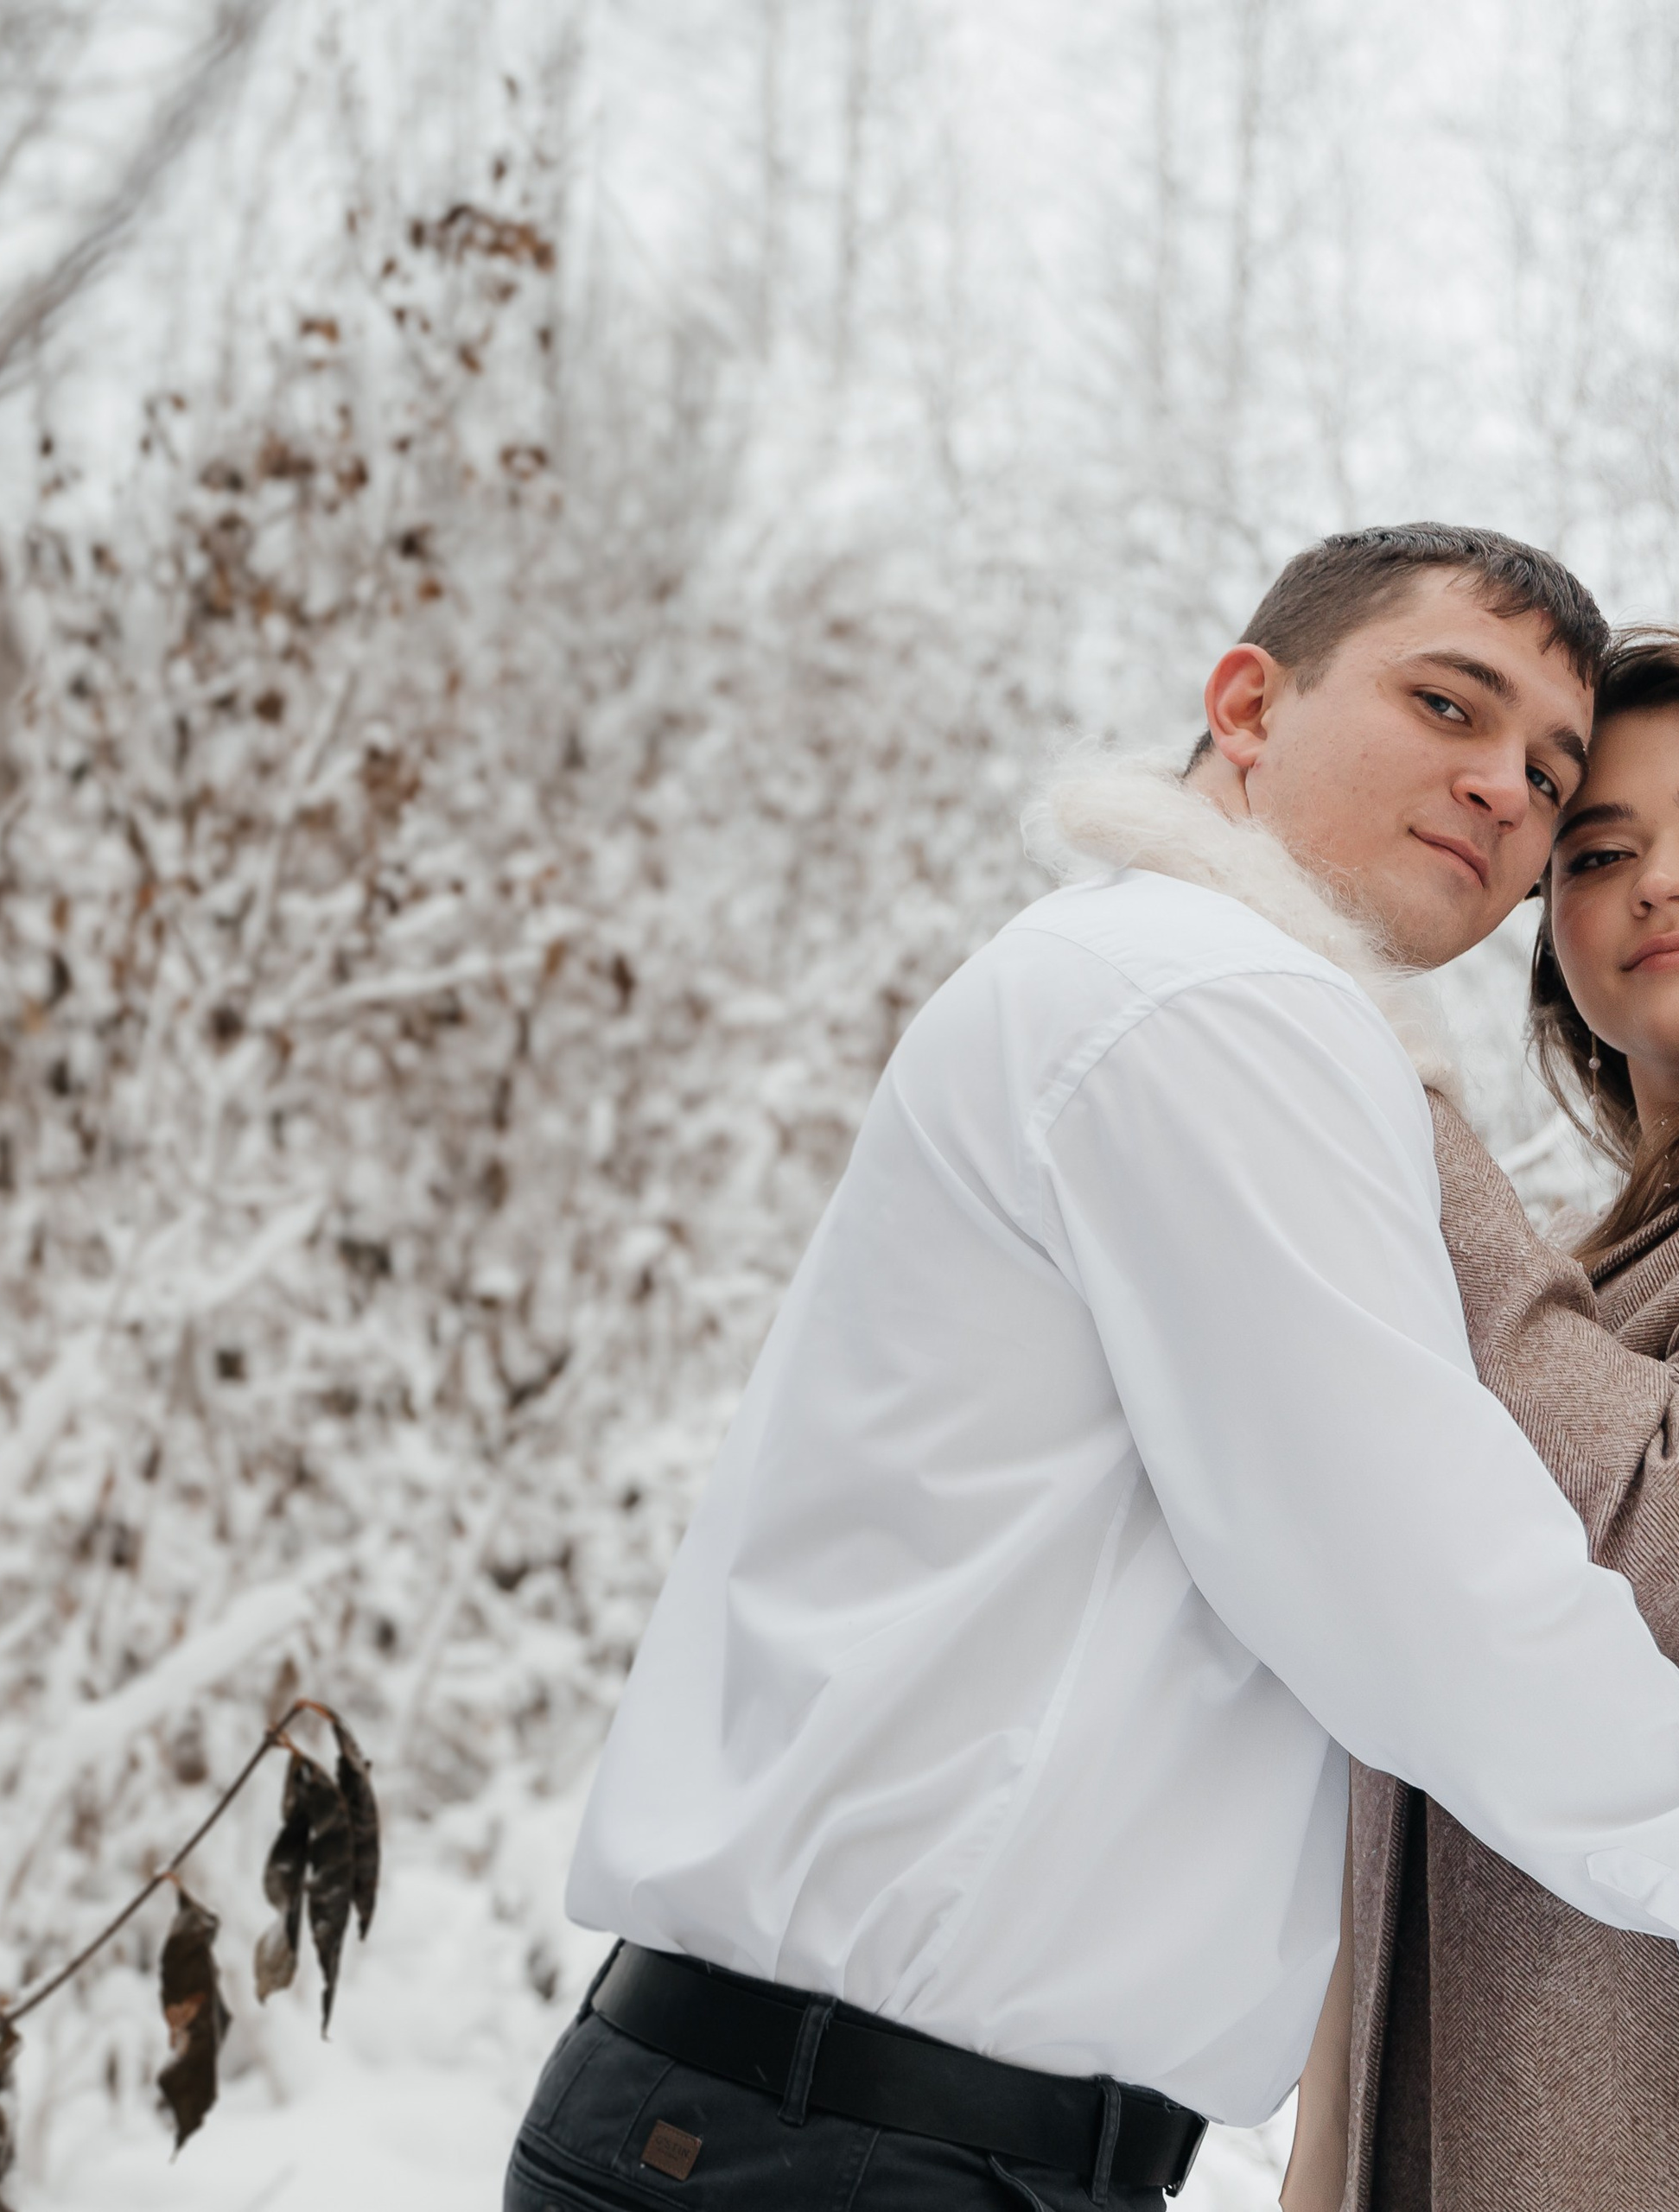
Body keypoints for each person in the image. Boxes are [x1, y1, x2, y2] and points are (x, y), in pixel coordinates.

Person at [505, 527, 1679, 2212]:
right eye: (1445, 704)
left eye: (1539, 770)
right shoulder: (1209, 1008)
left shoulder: (1175, 991)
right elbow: (1430, 1601)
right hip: (847, 2143)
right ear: (1243, 704)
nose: (1502, 788)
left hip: (864, 2129)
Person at [1289, 630, 1679, 2212]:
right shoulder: (1579, 1288)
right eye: (1602, 851)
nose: (1658, 884)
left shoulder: (1512, 1306)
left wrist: (1384, 1087)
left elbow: (1647, 1548)